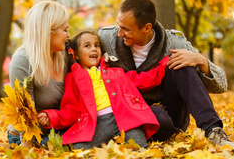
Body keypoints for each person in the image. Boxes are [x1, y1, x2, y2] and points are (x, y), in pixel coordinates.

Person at [98, 0, 234, 148]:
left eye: (126, 29)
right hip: (125, 116)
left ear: (146, 28)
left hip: (167, 116)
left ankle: (214, 131)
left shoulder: (175, 43)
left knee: (180, 63)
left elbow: (221, 85)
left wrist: (201, 60)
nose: (119, 33)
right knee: (154, 117)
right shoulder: (106, 39)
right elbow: (79, 51)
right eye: (119, 26)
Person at [37, 30, 169, 149]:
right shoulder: (73, 77)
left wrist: (164, 64)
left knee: (139, 147)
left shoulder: (115, 71)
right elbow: (70, 110)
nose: (94, 49)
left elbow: (143, 80)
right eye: (87, 46)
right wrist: (51, 116)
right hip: (96, 124)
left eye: (97, 45)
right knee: (77, 149)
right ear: (76, 54)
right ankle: (40, 142)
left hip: (126, 119)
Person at [7, 0, 70, 146]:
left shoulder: (66, 54)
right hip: (31, 134)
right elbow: (25, 115)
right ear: (48, 31)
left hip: (59, 128)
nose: (68, 35)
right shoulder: (23, 61)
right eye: (65, 30)